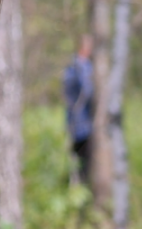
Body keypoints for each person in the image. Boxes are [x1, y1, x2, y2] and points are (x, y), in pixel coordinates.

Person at [63, 35, 94, 181]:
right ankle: (80, 191)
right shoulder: (81, 67)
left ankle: (77, 187)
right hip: (82, 122)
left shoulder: (71, 67)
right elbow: (87, 90)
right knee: (81, 160)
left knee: (77, 158)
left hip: (75, 120)